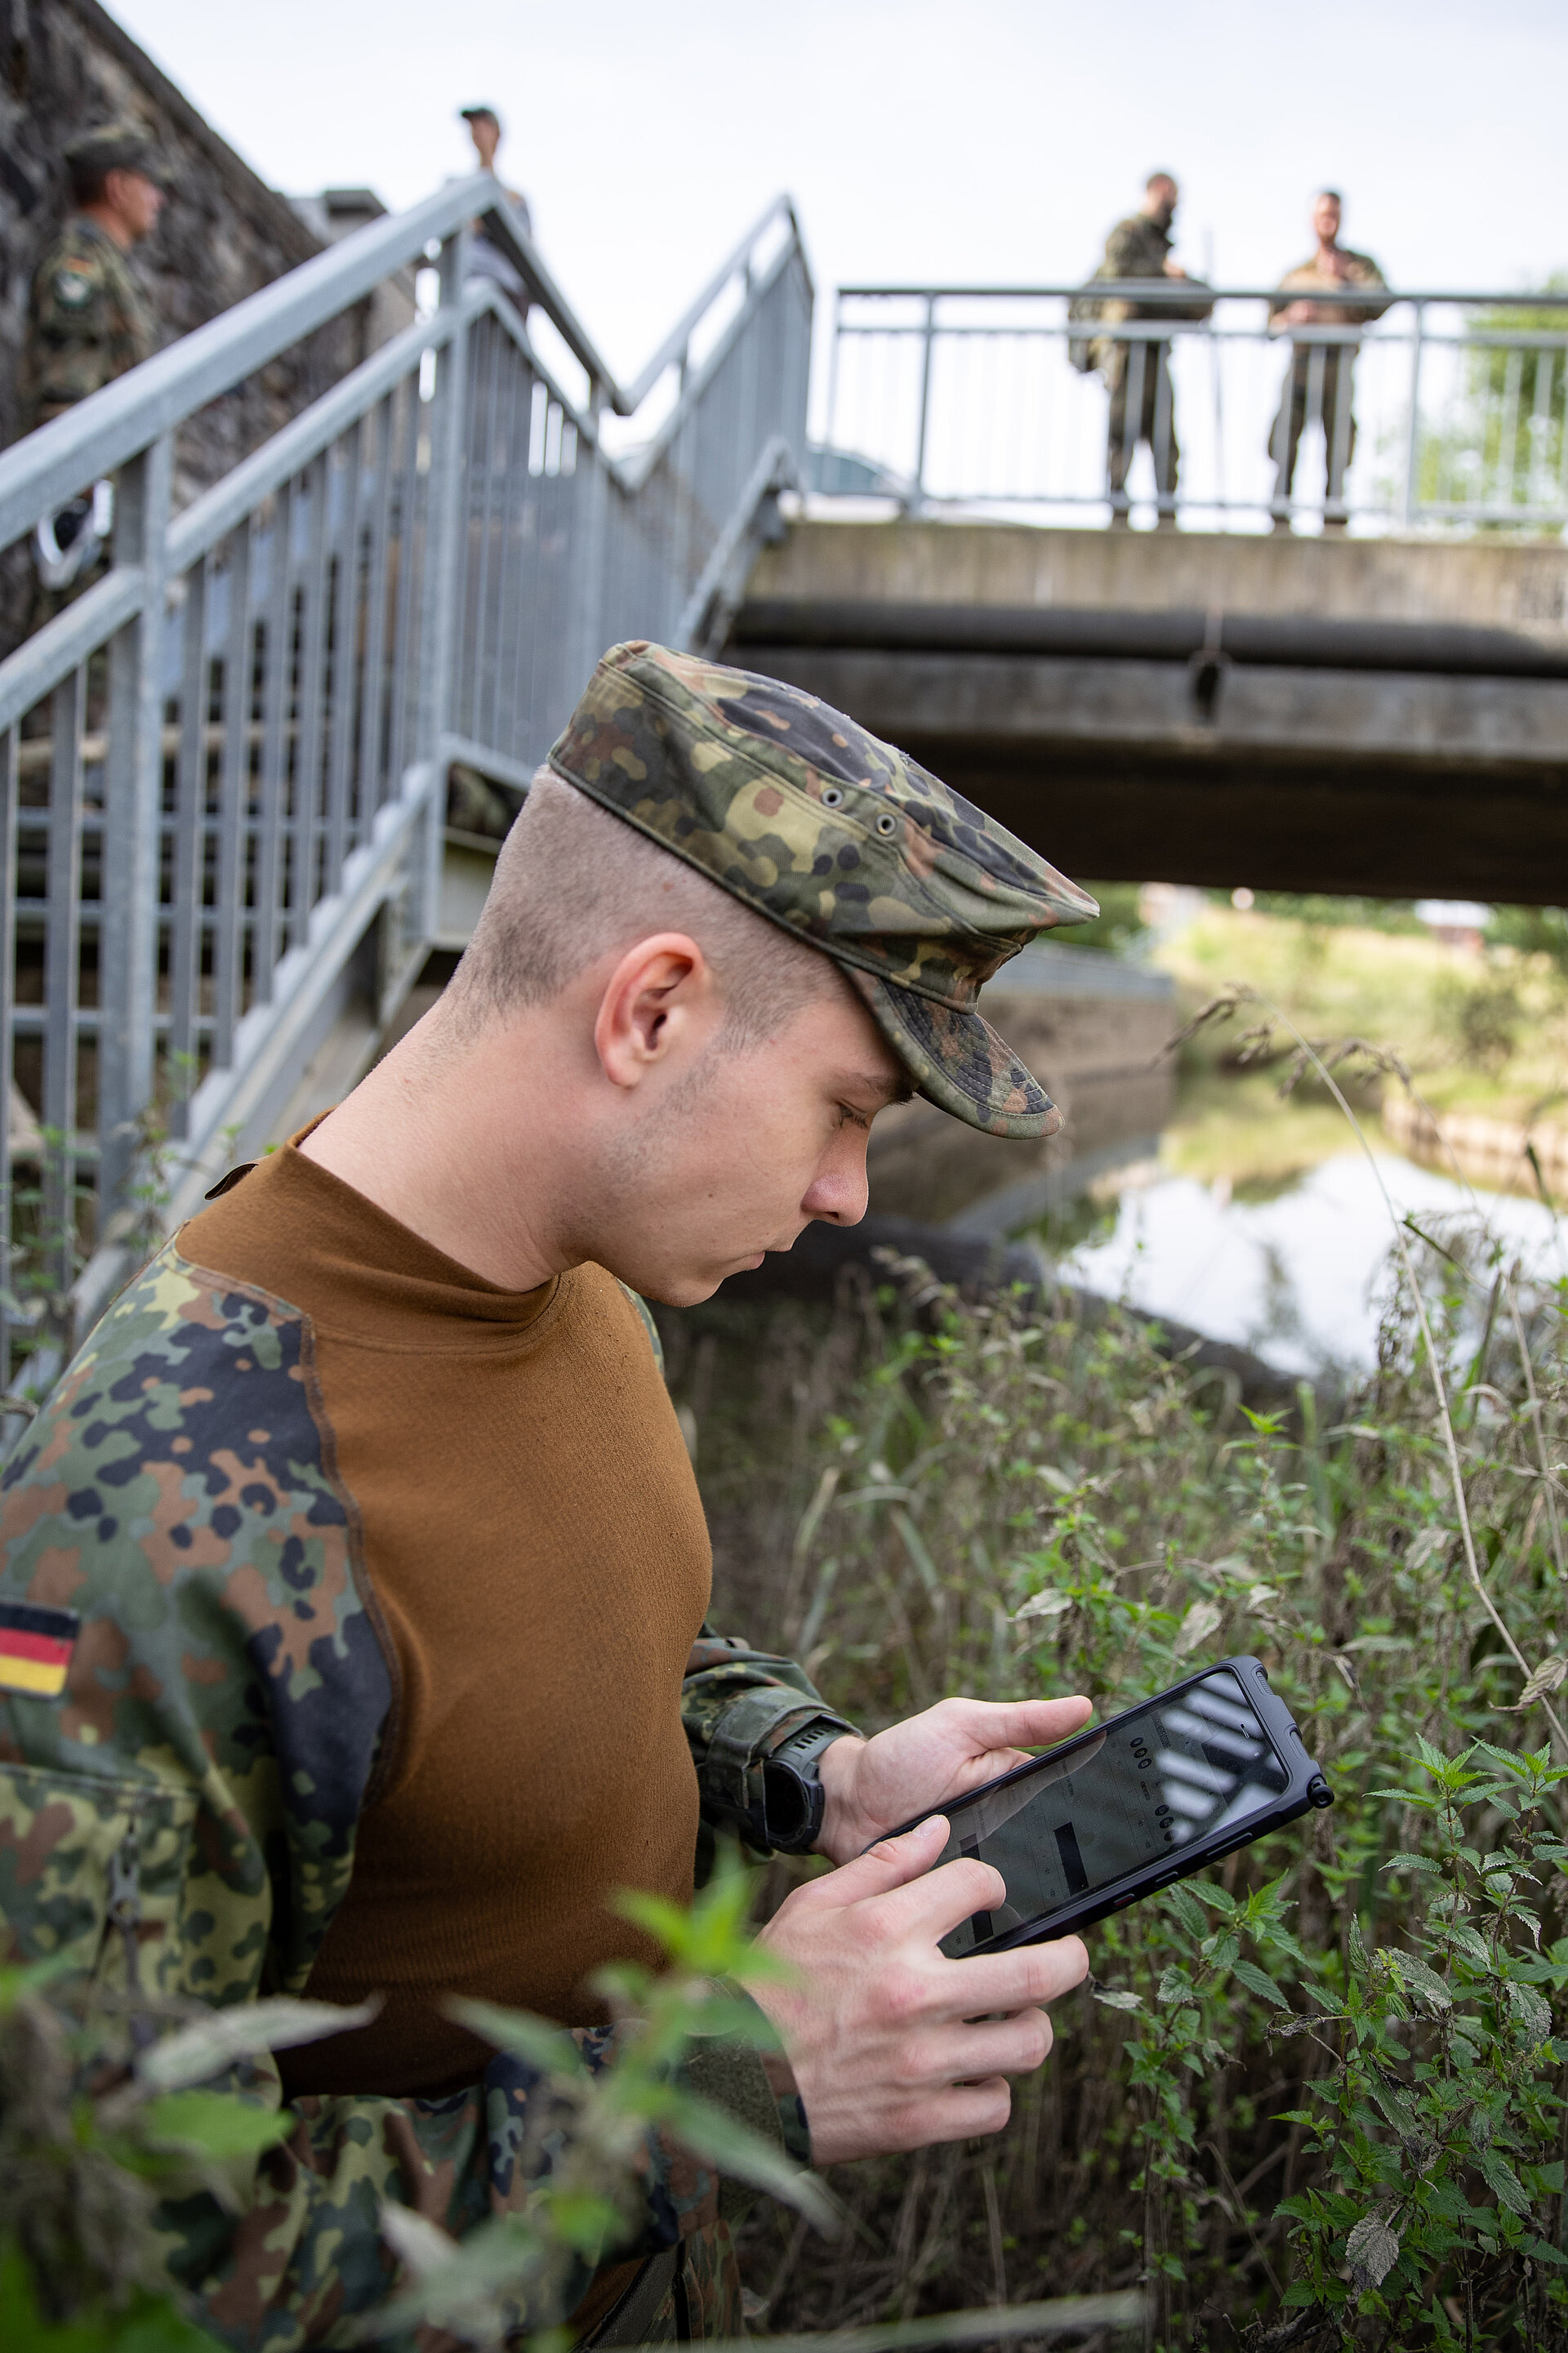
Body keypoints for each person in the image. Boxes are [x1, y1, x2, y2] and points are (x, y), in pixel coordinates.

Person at [0, 642, 1102, 2346]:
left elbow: (568, 1654)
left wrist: (814, 1774)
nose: (845, 1191)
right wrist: (722, 2079)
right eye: (844, 1109)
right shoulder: (153, 1512)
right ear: (652, 1012)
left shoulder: (583, 1284)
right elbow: (106, 2260)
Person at [16, 123, 166, 604]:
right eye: (149, 183)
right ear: (117, 187)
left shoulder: (108, 264)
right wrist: (76, 504)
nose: (159, 199)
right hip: (88, 510)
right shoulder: (80, 265)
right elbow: (66, 389)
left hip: (110, 504)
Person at [1081, 172, 1210, 527]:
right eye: (1170, 197)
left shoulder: (1163, 249)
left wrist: (1177, 285)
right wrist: (1165, 279)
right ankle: (1118, 517)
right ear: (1155, 192)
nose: (1173, 207)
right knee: (1122, 435)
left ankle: (1166, 518)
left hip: (1157, 356)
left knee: (1165, 442)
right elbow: (1123, 276)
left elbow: (1201, 301)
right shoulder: (1127, 235)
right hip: (1126, 355)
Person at [1267, 191, 1388, 533]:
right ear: (1312, 219)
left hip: (1340, 363)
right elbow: (1270, 323)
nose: (1328, 221)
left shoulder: (1359, 267)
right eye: (1322, 215)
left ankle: (1334, 518)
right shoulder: (1296, 274)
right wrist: (1292, 316)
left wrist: (1344, 283)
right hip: (1302, 364)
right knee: (1284, 437)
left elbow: (1382, 303)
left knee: (1339, 444)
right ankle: (1279, 516)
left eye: (1333, 214)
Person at [460, 101, 533, 296]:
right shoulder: (458, 189)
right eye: (473, 126)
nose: (477, 131)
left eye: (483, 125)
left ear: (497, 134)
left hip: (505, 290)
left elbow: (525, 249)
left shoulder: (516, 199)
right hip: (467, 287)